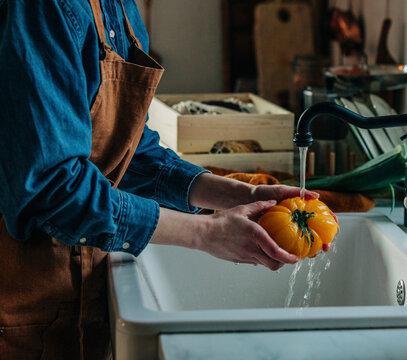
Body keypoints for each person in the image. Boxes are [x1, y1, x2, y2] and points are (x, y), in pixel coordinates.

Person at [0, 1, 321, 359]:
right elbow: (52, 187)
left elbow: (131, 151)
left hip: (76, 305)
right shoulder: (44, 8)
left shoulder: (121, 9)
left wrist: (237, 193)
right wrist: (205, 234)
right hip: (19, 311)